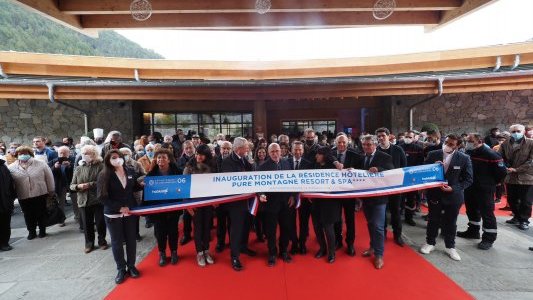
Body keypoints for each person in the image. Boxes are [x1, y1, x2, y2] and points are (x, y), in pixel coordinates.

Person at [420, 134, 473, 261]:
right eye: (446, 142)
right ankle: (430, 243)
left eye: (451, 144)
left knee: (451, 221)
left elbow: (468, 179)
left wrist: (454, 188)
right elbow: (423, 170)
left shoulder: (464, 158)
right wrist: (433, 167)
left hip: (453, 195)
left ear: (458, 146)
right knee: (433, 219)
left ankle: (450, 246)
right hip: (435, 194)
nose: (447, 145)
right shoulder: (433, 154)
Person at [97, 149, 141, 284]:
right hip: (113, 213)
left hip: (130, 212)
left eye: (118, 157)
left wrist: (143, 185)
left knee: (131, 240)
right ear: (108, 160)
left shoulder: (130, 171)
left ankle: (132, 266)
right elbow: (101, 197)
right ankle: (121, 269)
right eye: (113, 158)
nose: (117, 159)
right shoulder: (104, 175)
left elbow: (133, 188)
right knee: (116, 242)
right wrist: (118, 207)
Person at [457, 133, 507, 250]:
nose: (467, 142)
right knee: (471, 210)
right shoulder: (469, 152)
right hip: (470, 186)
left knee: (487, 213)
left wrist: (493, 182)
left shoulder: (491, 154)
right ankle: (473, 231)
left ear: (479, 141)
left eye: (470, 140)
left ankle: (489, 238)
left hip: (485, 188)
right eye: (467, 140)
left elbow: (502, 172)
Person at [220, 137, 257, 271]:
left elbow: (251, 172)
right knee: (236, 228)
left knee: (246, 224)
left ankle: (243, 246)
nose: (248, 149)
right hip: (235, 201)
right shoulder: (227, 162)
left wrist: (251, 165)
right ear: (238, 149)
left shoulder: (243, 158)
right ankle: (234, 256)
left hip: (247, 199)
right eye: (246, 147)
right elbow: (231, 181)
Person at [359, 135, 394, 269]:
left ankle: (379, 255)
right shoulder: (361, 157)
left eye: (369, 144)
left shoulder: (384, 157)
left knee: (378, 226)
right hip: (366, 197)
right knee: (370, 224)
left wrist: (379, 170)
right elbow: (357, 172)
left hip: (379, 197)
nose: (366, 147)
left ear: (375, 144)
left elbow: (391, 171)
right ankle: (373, 247)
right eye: (364, 145)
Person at [144, 149, 183, 267]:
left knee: (173, 231)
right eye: (158, 157)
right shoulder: (151, 175)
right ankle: (161, 253)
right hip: (158, 210)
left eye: (163, 157)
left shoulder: (178, 172)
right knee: (160, 233)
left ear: (169, 159)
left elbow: (182, 189)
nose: (161, 160)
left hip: (173, 208)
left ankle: (174, 252)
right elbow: (147, 194)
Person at [258, 143, 294, 266]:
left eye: (277, 151)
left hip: (285, 203)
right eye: (272, 151)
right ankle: (272, 253)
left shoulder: (287, 163)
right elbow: (258, 184)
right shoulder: (262, 167)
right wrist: (260, 194)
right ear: (268, 153)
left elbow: (292, 181)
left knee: (285, 228)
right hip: (270, 204)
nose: (275, 153)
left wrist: (292, 195)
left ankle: (284, 251)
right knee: (270, 231)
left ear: (281, 151)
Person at [8, 146, 55, 239]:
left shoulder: (41, 163)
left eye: (25, 153)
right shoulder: (11, 167)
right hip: (23, 194)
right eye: (20, 154)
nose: (23, 155)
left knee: (41, 213)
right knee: (28, 214)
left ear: (30, 154)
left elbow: (49, 178)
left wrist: (51, 190)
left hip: (40, 193)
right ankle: (31, 232)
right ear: (17, 155)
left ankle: (42, 230)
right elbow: (11, 182)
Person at [184, 144, 217, 267]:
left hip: (208, 202)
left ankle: (206, 250)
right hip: (195, 203)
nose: (198, 156)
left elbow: (215, 184)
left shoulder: (212, 166)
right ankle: (199, 252)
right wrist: (187, 204)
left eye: (201, 154)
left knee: (207, 227)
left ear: (207, 156)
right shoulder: (189, 166)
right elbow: (184, 187)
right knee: (197, 228)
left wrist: (215, 200)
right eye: (197, 153)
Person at [71, 145, 108, 253]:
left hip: (98, 199)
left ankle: (102, 241)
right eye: (83, 153)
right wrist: (78, 187)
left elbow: (104, 181)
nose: (84, 155)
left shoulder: (101, 166)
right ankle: (89, 244)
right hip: (83, 200)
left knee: (100, 222)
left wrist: (90, 184)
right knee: (87, 224)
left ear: (93, 154)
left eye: (87, 153)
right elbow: (72, 185)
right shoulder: (78, 168)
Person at [332, 134, 364, 256]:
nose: (341, 145)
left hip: (349, 194)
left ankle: (350, 243)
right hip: (334, 194)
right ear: (335, 142)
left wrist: (354, 171)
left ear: (348, 143)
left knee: (350, 219)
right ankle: (337, 241)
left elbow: (362, 171)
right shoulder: (331, 155)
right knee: (336, 219)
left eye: (343, 142)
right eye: (339, 142)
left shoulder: (355, 155)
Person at [376, 127, 407, 246]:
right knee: (381, 212)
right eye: (379, 136)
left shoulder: (398, 149)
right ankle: (382, 234)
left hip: (396, 186)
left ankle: (397, 235)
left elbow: (404, 166)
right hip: (381, 187)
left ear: (389, 136)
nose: (381, 138)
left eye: (383, 135)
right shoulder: (376, 150)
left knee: (396, 212)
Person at [499, 124, 533, 230]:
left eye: (518, 131)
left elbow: (531, 161)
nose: (516, 133)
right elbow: (500, 157)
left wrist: (517, 169)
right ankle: (517, 217)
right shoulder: (505, 143)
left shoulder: (530, 143)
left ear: (523, 132)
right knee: (512, 199)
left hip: (527, 177)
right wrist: (505, 166)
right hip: (510, 176)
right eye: (513, 131)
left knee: (526, 201)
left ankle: (524, 220)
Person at [311, 146, 341, 264]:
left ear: (324, 155)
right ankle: (322, 248)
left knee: (328, 228)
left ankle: (331, 252)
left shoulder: (334, 166)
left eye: (319, 154)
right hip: (316, 201)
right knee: (317, 227)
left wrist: (335, 160)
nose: (316, 156)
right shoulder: (315, 165)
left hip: (330, 203)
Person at [287, 141, 313, 255]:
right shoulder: (285, 163)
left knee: (304, 222)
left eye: (300, 150)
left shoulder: (309, 164)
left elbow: (310, 182)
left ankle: (302, 243)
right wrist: (292, 195)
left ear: (303, 151)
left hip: (304, 199)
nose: (297, 152)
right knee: (290, 222)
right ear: (291, 150)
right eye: (295, 149)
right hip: (289, 199)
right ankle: (294, 243)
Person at [399, 130, 425, 226]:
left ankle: (408, 217)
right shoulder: (399, 147)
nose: (408, 138)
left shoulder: (418, 149)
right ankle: (397, 216)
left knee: (411, 198)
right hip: (400, 177)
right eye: (406, 136)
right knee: (399, 198)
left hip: (412, 178)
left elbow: (421, 163)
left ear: (414, 138)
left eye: (410, 137)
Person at [49, 146, 75, 227]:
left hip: (72, 183)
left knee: (76, 201)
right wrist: (55, 167)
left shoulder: (73, 159)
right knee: (61, 203)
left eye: (64, 153)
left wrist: (70, 166)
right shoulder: (54, 161)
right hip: (60, 185)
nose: (62, 155)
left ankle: (78, 217)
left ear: (68, 153)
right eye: (60, 153)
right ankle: (61, 219)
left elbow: (77, 169)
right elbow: (49, 172)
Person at [177, 140, 196, 245]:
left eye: (190, 147)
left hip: (198, 190)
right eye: (186, 148)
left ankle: (201, 233)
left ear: (194, 147)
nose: (189, 150)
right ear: (184, 149)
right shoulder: (179, 161)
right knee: (186, 214)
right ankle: (187, 234)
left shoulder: (199, 157)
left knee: (199, 213)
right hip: (185, 190)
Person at [215, 141, 232, 253]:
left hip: (232, 198)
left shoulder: (235, 161)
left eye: (227, 148)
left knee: (232, 222)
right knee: (220, 223)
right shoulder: (214, 161)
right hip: (219, 198)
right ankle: (220, 243)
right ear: (220, 149)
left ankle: (232, 242)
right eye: (223, 148)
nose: (225, 150)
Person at [0, 156, 16, 251]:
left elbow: (10, 183)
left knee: (5, 223)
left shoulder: (2, 167)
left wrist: (11, 198)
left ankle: (4, 243)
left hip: (4, 201)